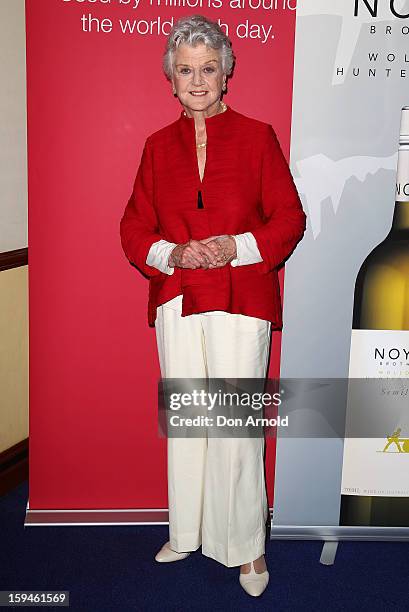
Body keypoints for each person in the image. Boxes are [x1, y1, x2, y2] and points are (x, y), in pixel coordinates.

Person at [120, 14, 306, 597]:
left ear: (226, 72)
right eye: (185, 70)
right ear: (170, 80)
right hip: (178, 296)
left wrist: (235, 245)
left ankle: (247, 547)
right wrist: (174, 253)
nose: (197, 80)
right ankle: (188, 531)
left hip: (240, 295)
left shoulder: (258, 136)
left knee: (234, 428)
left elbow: (289, 220)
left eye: (207, 68)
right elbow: (131, 228)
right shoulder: (155, 147)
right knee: (189, 424)